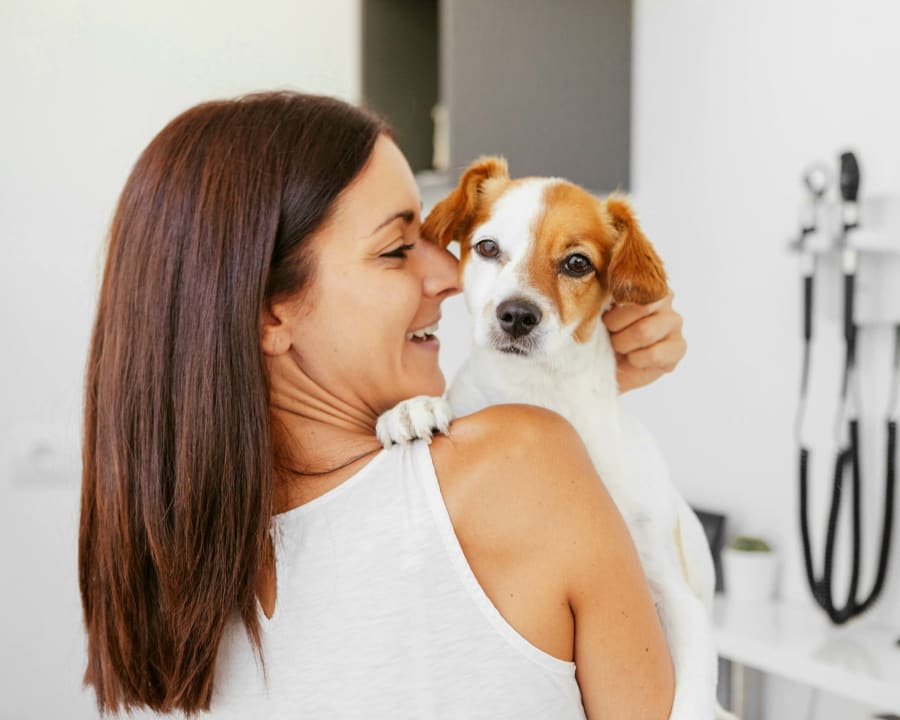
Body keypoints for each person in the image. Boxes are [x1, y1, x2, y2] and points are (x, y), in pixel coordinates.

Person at [79, 91, 685, 718]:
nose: (450, 276)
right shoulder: (525, 459)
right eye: (397, 249)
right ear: (269, 312)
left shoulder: (167, 568)